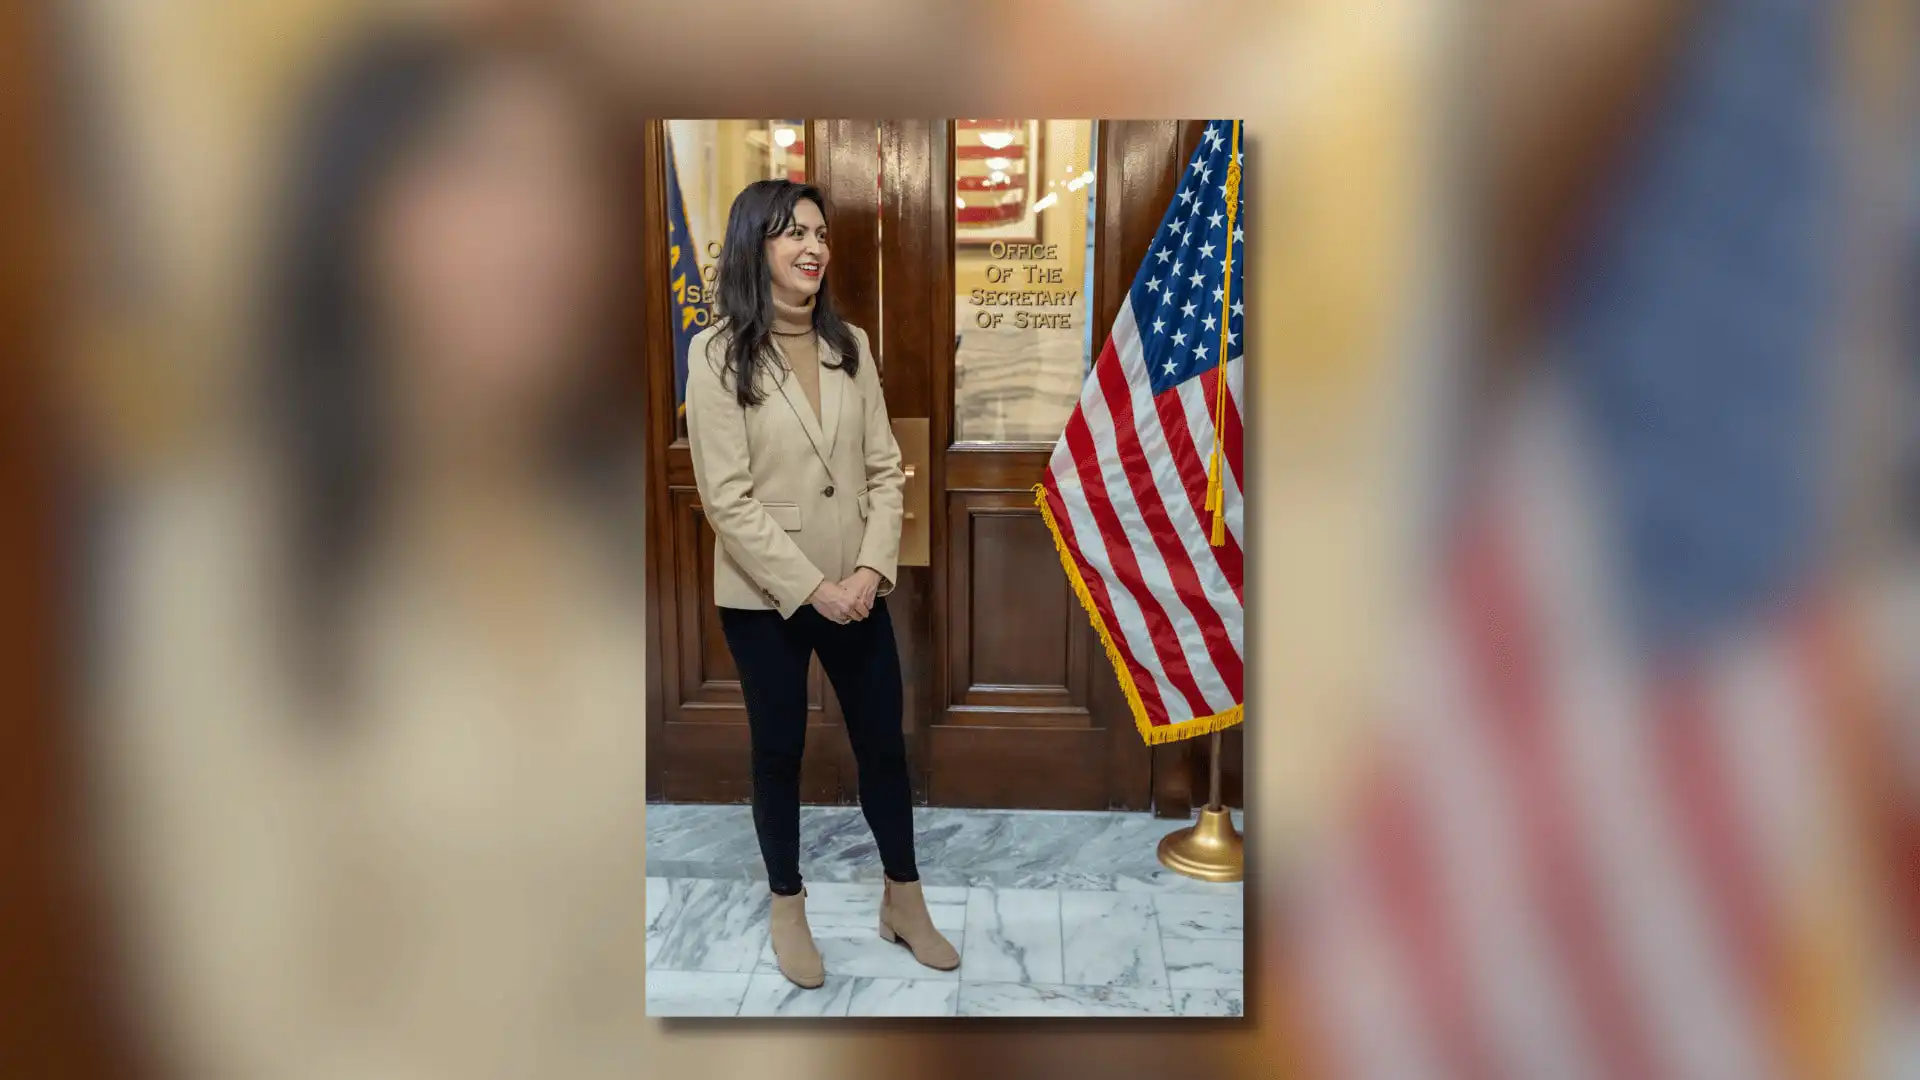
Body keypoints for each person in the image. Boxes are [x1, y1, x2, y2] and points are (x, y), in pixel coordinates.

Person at [684, 179, 958, 988]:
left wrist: (870, 569)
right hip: (765, 596)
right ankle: (787, 907)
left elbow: (883, 469)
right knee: (779, 752)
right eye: (793, 232)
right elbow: (727, 500)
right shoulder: (716, 353)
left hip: (857, 587)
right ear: (755, 245)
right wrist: (814, 588)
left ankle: (903, 900)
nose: (813, 247)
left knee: (883, 746)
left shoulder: (852, 344)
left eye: (819, 233)